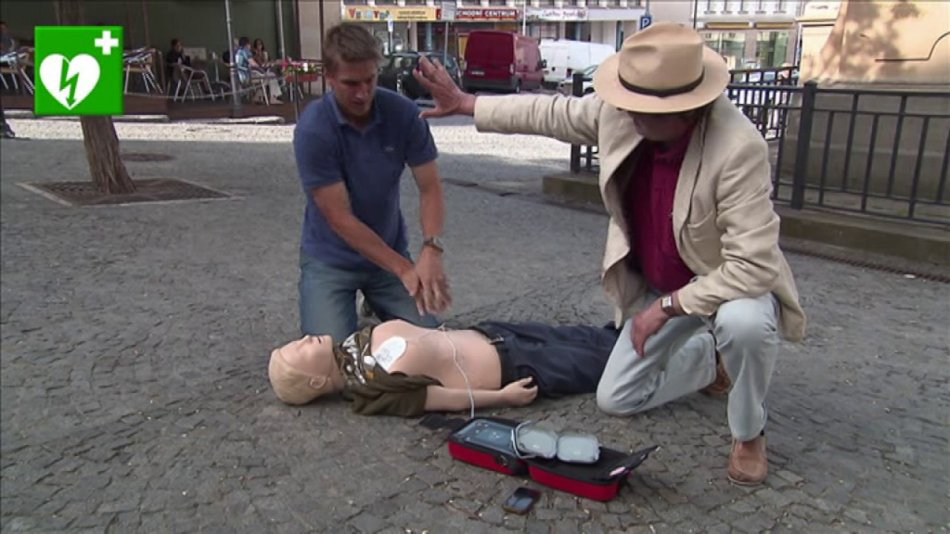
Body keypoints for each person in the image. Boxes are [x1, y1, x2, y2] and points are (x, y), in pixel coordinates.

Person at [413, 22, 806, 486]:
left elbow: (752, 265)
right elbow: (553, 113)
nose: (626, 113)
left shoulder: (739, 148)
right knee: (617, 398)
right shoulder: (626, 113)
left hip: (725, 284)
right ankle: (709, 360)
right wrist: (468, 103)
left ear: (686, 109)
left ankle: (749, 431)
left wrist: (666, 308)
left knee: (745, 325)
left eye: (642, 110)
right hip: (664, 287)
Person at [292, 23, 451, 343]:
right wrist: (404, 269)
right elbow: (339, 217)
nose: (363, 93)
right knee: (331, 354)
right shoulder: (314, 129)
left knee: (431, 342)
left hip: (388, 251)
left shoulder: (403, 114)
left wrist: (431, 249)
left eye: (370, 79)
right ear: (329, 76)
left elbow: (430, 187)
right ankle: (364, 308)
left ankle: (381, 305)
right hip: (330, 258)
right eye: (351, 83)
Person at [269, 319, 619, 417]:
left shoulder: (354, 344)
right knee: (602, 362)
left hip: (495, 333)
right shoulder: (372, 389)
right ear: (316, 382)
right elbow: (443, 399)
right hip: (514, 367)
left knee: (591, 336)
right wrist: (503, 397)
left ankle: (645, 325)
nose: (305, 339)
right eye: (299, 350)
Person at [234, 36, 282, 103]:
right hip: (247, 76)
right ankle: (273, 97)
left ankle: (257, 96)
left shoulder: (237, 52)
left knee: (265, 78)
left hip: (239, 76)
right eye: (249, 44)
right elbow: (254, 64)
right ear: (247, 44)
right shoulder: (245, 51)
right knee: (271, 75)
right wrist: (263, 68)